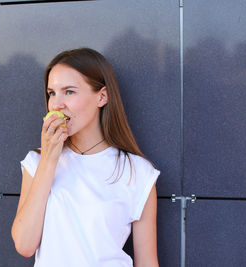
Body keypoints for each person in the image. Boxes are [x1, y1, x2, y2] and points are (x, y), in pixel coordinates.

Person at [11, 48, 161, 267]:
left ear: (102, 96)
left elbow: (147, 262)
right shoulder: (36, 162)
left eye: (69, 92)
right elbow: (24, 245)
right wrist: (49, 159)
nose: (56, 104)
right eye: (52, 93)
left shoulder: (137, 172)